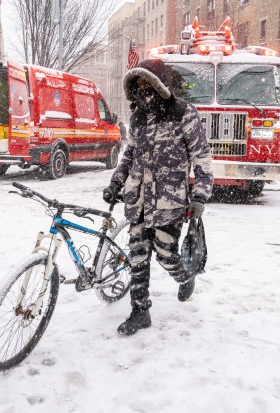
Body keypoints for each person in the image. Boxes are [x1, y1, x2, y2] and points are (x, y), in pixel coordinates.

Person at [102, 59, 214, 336]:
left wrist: (199, 195)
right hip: (138, 199)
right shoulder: (137, 117)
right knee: (137, 256)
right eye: (137, 86)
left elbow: (201, 156)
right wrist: (116, 182)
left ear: (159, 83)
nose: (142, 90)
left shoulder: (182, 112)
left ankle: (184, 277)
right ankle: (140, 311)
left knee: (165, 254)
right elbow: (129, 155)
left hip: (169, 199)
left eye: (147, 83)